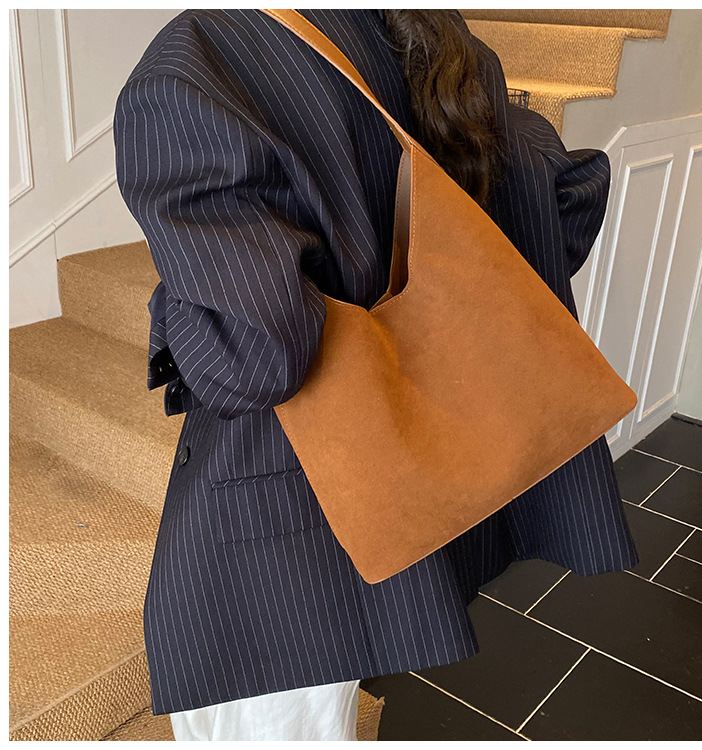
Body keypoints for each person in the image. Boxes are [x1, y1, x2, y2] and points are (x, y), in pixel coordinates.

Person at [113, 9, 638, 741]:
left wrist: (177, 301)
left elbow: (250, 363)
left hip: (286, 520)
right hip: (418, 465)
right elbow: (562, 198)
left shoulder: (200, 61)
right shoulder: (439, 35)